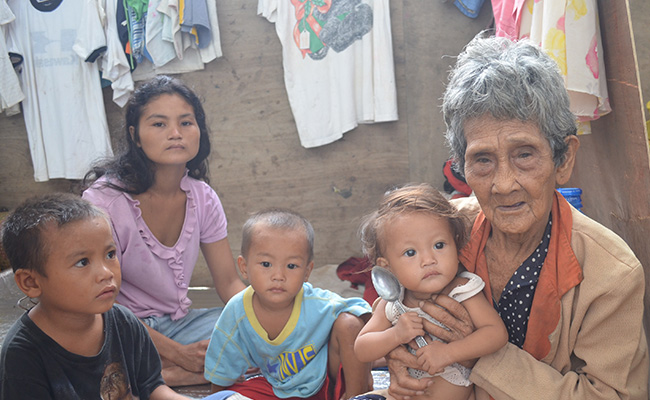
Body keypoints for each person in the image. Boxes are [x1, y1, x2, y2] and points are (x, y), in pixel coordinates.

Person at [361, 34, 649, 400]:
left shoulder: (611, 275)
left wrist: (481, 355)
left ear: (563, 160)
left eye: (524, 154)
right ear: (461, 168)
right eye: (482, 160)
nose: (503, 184)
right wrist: (398, 355)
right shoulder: (444, 230)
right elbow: (393, 305)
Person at [82, 75, 246, 386]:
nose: (175, 133)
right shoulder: (103, 201)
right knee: (83, 351)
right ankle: (178, 372)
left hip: (181, 324)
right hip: (118, 330)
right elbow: (98, 304)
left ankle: (158, 377)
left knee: (263, 340)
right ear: (135, 135)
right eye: (159, 124)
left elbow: (228, 283)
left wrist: (276, 317)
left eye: (186, 122)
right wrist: (179, 353)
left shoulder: (202, 197)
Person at [0, 193, 190, 399]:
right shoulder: (22, 355)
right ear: (31, 282)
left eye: (110, 254)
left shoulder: (123, 322)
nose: (106, 273)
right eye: (83, 262)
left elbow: (152, 388)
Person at [354, 184, 508, 400]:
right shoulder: (393, 303)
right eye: (410, 252)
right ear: (387, 266)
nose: (429, 260)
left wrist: (449, 353)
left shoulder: (462, 290)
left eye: (439, 245)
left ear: (456, 246)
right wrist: (395, 334)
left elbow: (495, 333)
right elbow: (362, 349)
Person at [204, 208, 373, 400]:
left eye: (291, 266)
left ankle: (358, 396)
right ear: (244, 267)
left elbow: (363, 313)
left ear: (307, 272)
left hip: (324, 383)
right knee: (228, 396)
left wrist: (366, 369)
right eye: (266, 264)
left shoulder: (317, 303)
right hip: (277, 388)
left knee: (349, 323)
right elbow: (222, 368)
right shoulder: (237, 311)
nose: (278, 276)